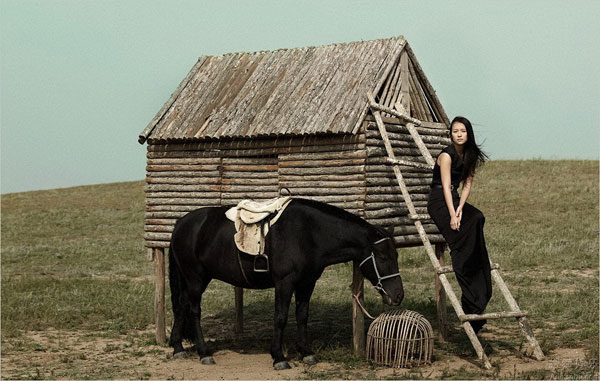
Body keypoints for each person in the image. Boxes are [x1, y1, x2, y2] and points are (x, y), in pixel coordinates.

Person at [427, 116, 491, 334]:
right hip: (439, 201)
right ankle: (462, 259)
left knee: (477, 217)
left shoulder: (470, 154)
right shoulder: (446, 156)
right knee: (460, 231)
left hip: (455, 199)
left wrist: (461, 208)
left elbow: (467, 185)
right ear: (451, 134)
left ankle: (473, 259)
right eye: (455, 131)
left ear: (468, 133)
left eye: (462, 131)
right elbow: (445, 188)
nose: (459, 134)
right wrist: (453, 214)